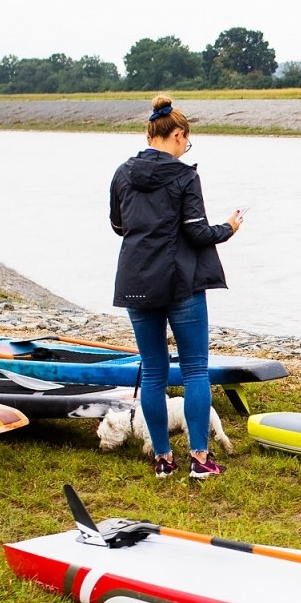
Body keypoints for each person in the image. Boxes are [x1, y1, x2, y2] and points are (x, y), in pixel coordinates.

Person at [110, 95, 243, 480]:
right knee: (195, 370)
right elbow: (197, 233)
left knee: (152, 372)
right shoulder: (185, 176)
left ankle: (163, 460)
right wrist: (229, 229)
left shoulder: (122, 173)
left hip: (136, 280)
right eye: (187, 142)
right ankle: (200, 460)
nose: (187, 149)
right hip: (181, 282)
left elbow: (119, 225)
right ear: (178, 135)